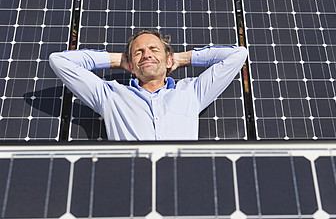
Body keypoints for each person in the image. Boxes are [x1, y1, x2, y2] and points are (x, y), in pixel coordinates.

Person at [49, 29, 248, 140]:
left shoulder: (192, 92)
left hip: (183, 185)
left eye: (154, 49)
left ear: (168, 60)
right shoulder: (111, 96)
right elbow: (59, 61)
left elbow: (238, 54)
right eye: (139, 52)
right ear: (131, 66)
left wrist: (182, 58)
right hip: (132, 189)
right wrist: (118, 60)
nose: (147, 54)